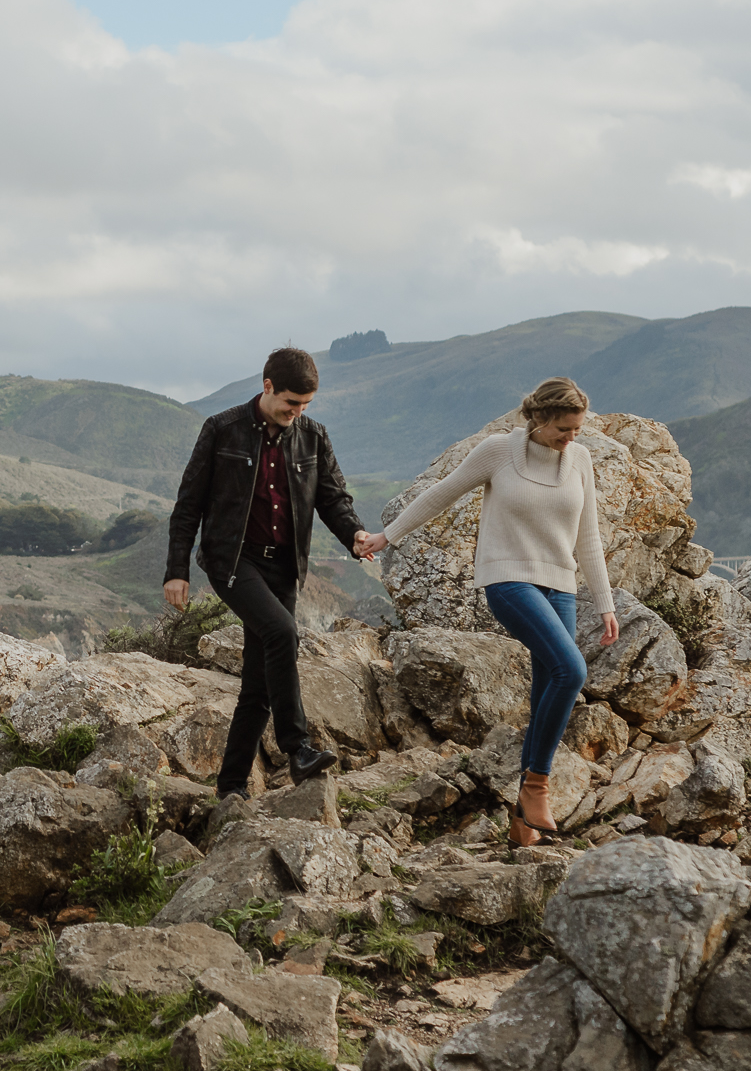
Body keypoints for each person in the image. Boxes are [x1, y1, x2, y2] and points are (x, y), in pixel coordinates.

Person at [359, 377, 618, 845]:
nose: (571, 438)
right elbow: (442, 493)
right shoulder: (498, 451)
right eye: (564, 429)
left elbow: (589, 536)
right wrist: (386, 536)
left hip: (560, 585)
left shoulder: (579, 459)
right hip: (508, 579)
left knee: (549, 687)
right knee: (571, 671)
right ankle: (537, 786)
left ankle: (523, 823)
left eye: (577, 429)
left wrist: (605, 605)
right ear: (539, 419)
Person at [166, 346, 383, 800]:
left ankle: (230, 787)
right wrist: (176, 570)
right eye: (290, 403)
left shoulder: (313, 435)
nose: (297, 413)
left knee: (259, 682)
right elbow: (188, 504)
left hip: (284, 566)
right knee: (283, 633)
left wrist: (355, 536)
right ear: (267, 387)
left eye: (305, 405)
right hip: (233, 561)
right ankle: (297, 747)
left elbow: (333, 499)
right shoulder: (221, 429)